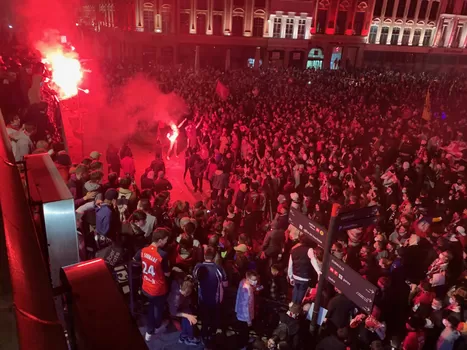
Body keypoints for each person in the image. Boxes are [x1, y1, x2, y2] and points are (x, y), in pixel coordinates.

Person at [134, 227, 170, 342]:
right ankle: (154, 329)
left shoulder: (143, 250)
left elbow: (134, 260)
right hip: (158, 289)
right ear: (160, 241)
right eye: (165, 240)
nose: (166, 242)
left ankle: (151, 328)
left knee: (151, 306)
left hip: (146, 285)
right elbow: (167, 273)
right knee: (157, 309)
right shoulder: (162, 255)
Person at [193, 246, 228, 347]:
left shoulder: (198, 267)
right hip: (214, 300)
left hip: (202, 299)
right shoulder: (218, 268)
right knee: (214, 319)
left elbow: (195, 279)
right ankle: (211, 336)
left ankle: (204, 337)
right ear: (213, 257)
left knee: (204, 320)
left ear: (204, 256)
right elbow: (225, 284)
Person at [167, 272, 200, 346]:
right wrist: (187, 315)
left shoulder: (179, 282)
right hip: (176, 309)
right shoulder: (176, 299)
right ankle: (189, 338)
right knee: (189, 318)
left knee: (188, 316)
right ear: (187, 294)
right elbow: (173, 312)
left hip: (182, 305)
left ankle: (183, 336)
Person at [235, 270, 259, 350]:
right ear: (248, 279)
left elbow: (238, 296)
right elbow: (246, 307)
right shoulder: (247, 289)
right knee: (244, 331)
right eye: (254, 280)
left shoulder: (242, 282)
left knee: (243, 331)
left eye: (256, 280)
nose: (255, 282)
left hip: (240, 312)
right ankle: (243, 346)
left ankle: (244, 342)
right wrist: (248, 320)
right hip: (245, 316)